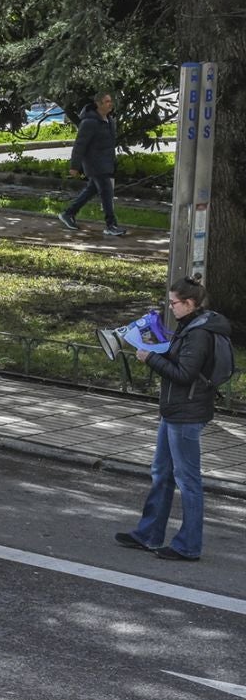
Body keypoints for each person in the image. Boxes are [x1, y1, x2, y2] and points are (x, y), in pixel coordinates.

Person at [119, 278, 228, 562]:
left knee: (187, 481)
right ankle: (149, 534)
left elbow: (183, 374)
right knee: (162, 474)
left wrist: (150, 359)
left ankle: (188, 546)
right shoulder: (191, 325)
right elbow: (180, 361)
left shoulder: (199, 333)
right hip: (175, 412)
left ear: (189, 303)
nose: (171, 307)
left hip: (186, 415)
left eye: (174, 302)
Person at [61, 92, 127, 236]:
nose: (110, 103)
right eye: (107, 101)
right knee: (107, 192)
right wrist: (74, 166)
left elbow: (109, 145)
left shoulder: (109, 121)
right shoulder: (89, 122)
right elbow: (80, 145)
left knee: (91, 190)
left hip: (106, 162)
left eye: (111, 101)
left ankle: (68, 213)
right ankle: (111, 225)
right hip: (95, 164)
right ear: (99, 104)